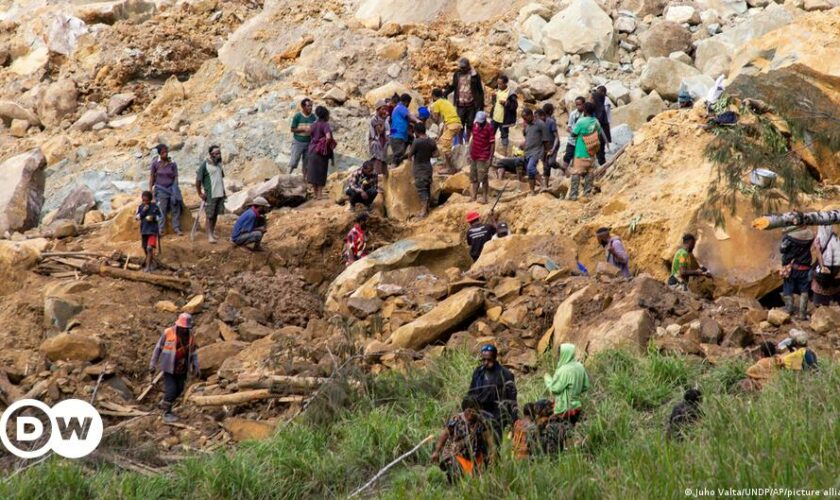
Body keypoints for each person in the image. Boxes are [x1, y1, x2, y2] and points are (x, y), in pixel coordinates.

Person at [149, 313, 198, 423]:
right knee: (171, 390)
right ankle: (166, 413)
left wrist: (196, 366)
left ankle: (165, 403)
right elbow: (158, 349)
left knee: (180, 389)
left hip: (182, 368)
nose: (184, 330)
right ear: (178, 325)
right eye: (182, 328)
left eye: (186, 328)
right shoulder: (168, 332)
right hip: (169, 367)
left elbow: (194, 352)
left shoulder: (191, 336)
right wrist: (152, 364)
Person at [431, 396, 493, 483]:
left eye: (474, 411)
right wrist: (437, 451)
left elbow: (489, 438)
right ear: (464, 410)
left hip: (476, 458)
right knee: (455, 472)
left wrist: (492, 453)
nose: (471, 413)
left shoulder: (481, 422)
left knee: (478, 479)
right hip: (457, 455)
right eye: (469, 410)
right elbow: (444, 434)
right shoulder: (456, 419)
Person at [467, 344, 518, 443]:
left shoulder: (505, 374)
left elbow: (512, 399)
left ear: (495, 358)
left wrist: (513, 420)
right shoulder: (478, 372)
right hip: (479, 413)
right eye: (483, 360)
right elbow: (471, 391)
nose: (486, 363)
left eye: (489, 360)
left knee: (495, 445)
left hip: (497, 416)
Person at [568, 102, 607, 201]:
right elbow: (597, 133)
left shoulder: (581, 121)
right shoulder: (596, 122)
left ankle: (573, 195)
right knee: (589, 173)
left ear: (584, 110)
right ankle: (586, 194)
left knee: (576, 173)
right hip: (591, 152)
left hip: (580, 152)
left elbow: (573, 134)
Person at [544, 343, 589, 426]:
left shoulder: (563, 370)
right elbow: (585, 386)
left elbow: (555, 389)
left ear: (564, 354)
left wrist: (548, 379)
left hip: (564, 409)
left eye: (559, 354)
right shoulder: (580, 366)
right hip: (577, 406)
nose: (558, 357)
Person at [405, 122, 439, 218]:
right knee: (427, 187)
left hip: (419, 169)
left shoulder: (417, 141)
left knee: (422, 190)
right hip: (428, 168)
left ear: (416, 132)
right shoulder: (431, 141)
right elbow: (437, 154)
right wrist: (429, 154)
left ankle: (423, 212)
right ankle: (427, 209)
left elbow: (410, 155)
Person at [448, 57, 485, 143]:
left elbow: (480, 90)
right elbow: (453, 86)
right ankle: (460, 142)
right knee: (460, 124)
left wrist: (480, 104)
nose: (462, 69)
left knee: (470, 124)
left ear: (468, 66)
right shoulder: (457, 74)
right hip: (460, 104)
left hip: (471, 104)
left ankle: (467, 141)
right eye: (461, 67)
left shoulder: (474, 75)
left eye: (464, 67)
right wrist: (445, 93)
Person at [779, 227, 814, 318]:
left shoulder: (789, 239)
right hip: (805, 268)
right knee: (804, 290)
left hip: (792, 268)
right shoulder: (809, 237)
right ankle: (802, 313)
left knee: (788, 287)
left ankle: (789, 309)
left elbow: (782, 249)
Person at [149, 144, 183, 236]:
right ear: (159, 153)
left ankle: (176, 228)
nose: (165, 154)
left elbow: (176, 176)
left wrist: (175, 186)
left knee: (175, 208)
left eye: (166, 152)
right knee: (161, 210)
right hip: (161, 189)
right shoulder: (155, 163)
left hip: (171, 189)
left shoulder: (172, 163)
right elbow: (152, 178)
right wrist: (151, 192)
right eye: (163, 152)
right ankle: (161, 229)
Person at [195, 145, 226, 243]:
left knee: (216, 214)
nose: (218, 155)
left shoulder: (219, 165)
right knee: (209, 216)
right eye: (216, 153)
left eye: (219, 153)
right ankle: (209, 236)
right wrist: (200, 193)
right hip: (210, 194)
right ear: (211, 154)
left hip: (220, 193)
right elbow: (198, 181)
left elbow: (220, 178)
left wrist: (224, 192)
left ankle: (212, 232)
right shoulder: (205, 165)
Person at [430, 87, 463, 173]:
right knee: (442, 141)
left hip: (452, 124)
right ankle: (446, 164)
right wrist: (440, 135)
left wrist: (431, 113)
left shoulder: (436, 103)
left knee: (444, 144)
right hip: (456, 124)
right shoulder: (446, 102)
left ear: (433, 96)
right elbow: (445, 121)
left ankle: (450, 168)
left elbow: (436, 119)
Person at [306, 105, 335, 200]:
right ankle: (319, 194)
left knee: (313, 172)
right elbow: (328, 137)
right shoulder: (325, 124)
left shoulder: (313, 124)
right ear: (325, 115)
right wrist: (324, 144)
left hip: (312, 150)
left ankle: (314, 194)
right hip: (321, 152)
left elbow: (309, 134)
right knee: (321, 172)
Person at [521, 108, 550, 195]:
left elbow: (546, 140)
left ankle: (543, 183)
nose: (525, 120)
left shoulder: (540, 124)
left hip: (537, 151)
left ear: (531, 115)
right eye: (523, 118)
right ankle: (532, 191)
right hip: (528, 151)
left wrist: (546, 153)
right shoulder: (526, 125)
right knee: (530, 172)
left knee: (530, 167)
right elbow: (527, 137)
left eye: (526, 118)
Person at [469, 111, 495, 203]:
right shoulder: (475, 125)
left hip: (483, 156)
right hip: (474, 155)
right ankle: (474, 196)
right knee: (474, 177)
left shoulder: (489, 128)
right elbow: (473, 138)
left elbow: (492, 144)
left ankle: (484, 197)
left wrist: (490, 158)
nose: (479, 123)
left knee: (483, 178)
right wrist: (469, 152)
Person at [811, 225, 840, 306]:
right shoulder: (835, 238)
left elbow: (823, 264)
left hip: (824, 278)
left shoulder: (823, 240)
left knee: (820, 303)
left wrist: (817, 249)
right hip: (835, 276)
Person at [135, 190, 162, 273]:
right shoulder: (140, 207)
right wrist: (144, 211)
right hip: (144, 230)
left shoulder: (155, 206)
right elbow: (137, 217)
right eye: (143, 200)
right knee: (145, 248)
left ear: (150, 199)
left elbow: (160, 216)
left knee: (149, 248)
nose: (145, 202)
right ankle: (151, 263)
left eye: (147, 200)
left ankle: (148, 267)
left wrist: (153, 218)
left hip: (152, 230)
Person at [491, 75, 517, 156]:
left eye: (501, 84)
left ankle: (504, 154)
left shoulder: (511, 94)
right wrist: (493, 97)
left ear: (505, 83)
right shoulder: (497, 90)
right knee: (491, 135)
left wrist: (506, 103)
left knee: (504, 136)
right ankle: (490, 152)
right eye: (498, 84)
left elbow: (514, 106)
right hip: (495, 117)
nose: (499, 85)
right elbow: (494, 103)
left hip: (504, 119)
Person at [389, 94, 418, 167]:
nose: (408, 105)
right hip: (398, 135)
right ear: (406, 102)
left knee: (401, 152)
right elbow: (410, 116)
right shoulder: (401, 108)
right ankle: (393, 171)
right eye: (409, 103)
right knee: (398, 155)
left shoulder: (397, 108)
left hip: (396, 134)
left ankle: (407, 160)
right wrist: (418, 121)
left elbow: (400, 122)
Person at [289, 98, 316, 174]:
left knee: (306, 163)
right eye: (308, 106)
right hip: (298, 142)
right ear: (303, 107)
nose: (310, 107)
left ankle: (304, 180)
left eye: (311, 106)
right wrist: (304, 130)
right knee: (293, 161)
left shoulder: (313, 117)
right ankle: (287, 176)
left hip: (309, 142)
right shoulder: (297, 116)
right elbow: (292, 129)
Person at [540, 104, 560, 188]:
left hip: (553, 145)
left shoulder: (551, 122)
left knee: (551, 162)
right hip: (544, 147)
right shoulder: (540, 123)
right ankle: (546, 185)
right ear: (551, 111)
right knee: (546, 166)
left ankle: (561, 167)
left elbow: (556, 137)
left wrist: (553, 148)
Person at [369, 100, 390, 179]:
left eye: (385, 109)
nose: (384, 111)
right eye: (383, 109)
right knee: (377, 162)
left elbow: (388, 132)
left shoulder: (384, 120)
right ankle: (376, 182)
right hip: (376, 144)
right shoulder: (374, 119)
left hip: (383, 144)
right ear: (378, 109)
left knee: (384, 163)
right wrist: (384, 121)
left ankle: (384, 183)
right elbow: (380, 131)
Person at [563, 97, 586, 171]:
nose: (578, 106)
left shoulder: (586, 115)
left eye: (580, 104)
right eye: (577, 105)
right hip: (572, 140)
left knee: (578, 159)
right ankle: (564, 173)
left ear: (584, 104)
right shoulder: (573, 114)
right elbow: (568, 127)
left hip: (582, 141)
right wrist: (573, 133)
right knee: (567, 157)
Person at [590, 87, 611, 165]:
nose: (590, 101)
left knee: (600, 152)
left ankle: (603, 167)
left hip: (601, 132)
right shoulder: (595, 109)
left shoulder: (601, 111)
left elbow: (599, 122)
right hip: (597, 132)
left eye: (592, 99)